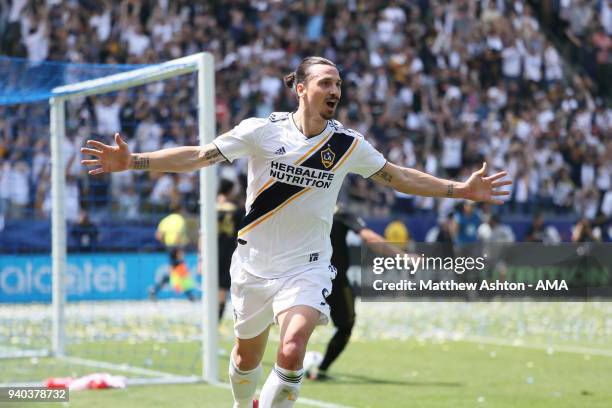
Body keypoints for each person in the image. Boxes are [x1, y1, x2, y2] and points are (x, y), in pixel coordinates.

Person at [81, 56, 511, 408]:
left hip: (306, 268)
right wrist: (134, 160)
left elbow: (398, 177)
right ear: (300, 88)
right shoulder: (261, 131)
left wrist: (460, 190)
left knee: (291, 350)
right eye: (326, 82)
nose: (336, 91)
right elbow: (197, 156)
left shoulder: (347, 145)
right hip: (251, 265)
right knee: (245, 361)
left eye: (339, 84)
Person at [309, 205, 404, 381]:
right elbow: (368, 237)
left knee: (290, 321)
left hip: (303, 276)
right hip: (333, 279)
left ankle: (288, 369)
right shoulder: (339, 211)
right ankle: (319, 370)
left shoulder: (306, 204)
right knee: (345, 326)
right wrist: (402, 257)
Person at [149, 203, 195, 301]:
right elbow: (178, 236)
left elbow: (158, 236)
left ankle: (154, 290)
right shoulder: (180, 220)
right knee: (180, 271)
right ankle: (190, 296)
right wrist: (179, 250)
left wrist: (166, 243)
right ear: (180, 209)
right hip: (177, 248)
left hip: (169, 247)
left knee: (176, 272)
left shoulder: (165, 220)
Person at [217, 178, 243, 321]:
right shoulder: (236, 209)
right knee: (223, 283)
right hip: (228, 249)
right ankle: (217, 318)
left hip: (212, 248)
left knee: (211, 282)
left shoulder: (209, 206)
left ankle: (209, 318)